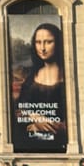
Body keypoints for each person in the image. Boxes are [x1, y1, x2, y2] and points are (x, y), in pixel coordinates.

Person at [13, 23, 67, 151]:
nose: (42, 48)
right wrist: (34, 118)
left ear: (58, 43)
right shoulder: (30, 76)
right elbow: (19, 109)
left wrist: (50, 126)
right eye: (38, 42)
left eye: (48, 42)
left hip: (59, 143)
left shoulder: (67, 76)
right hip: (28, 143)